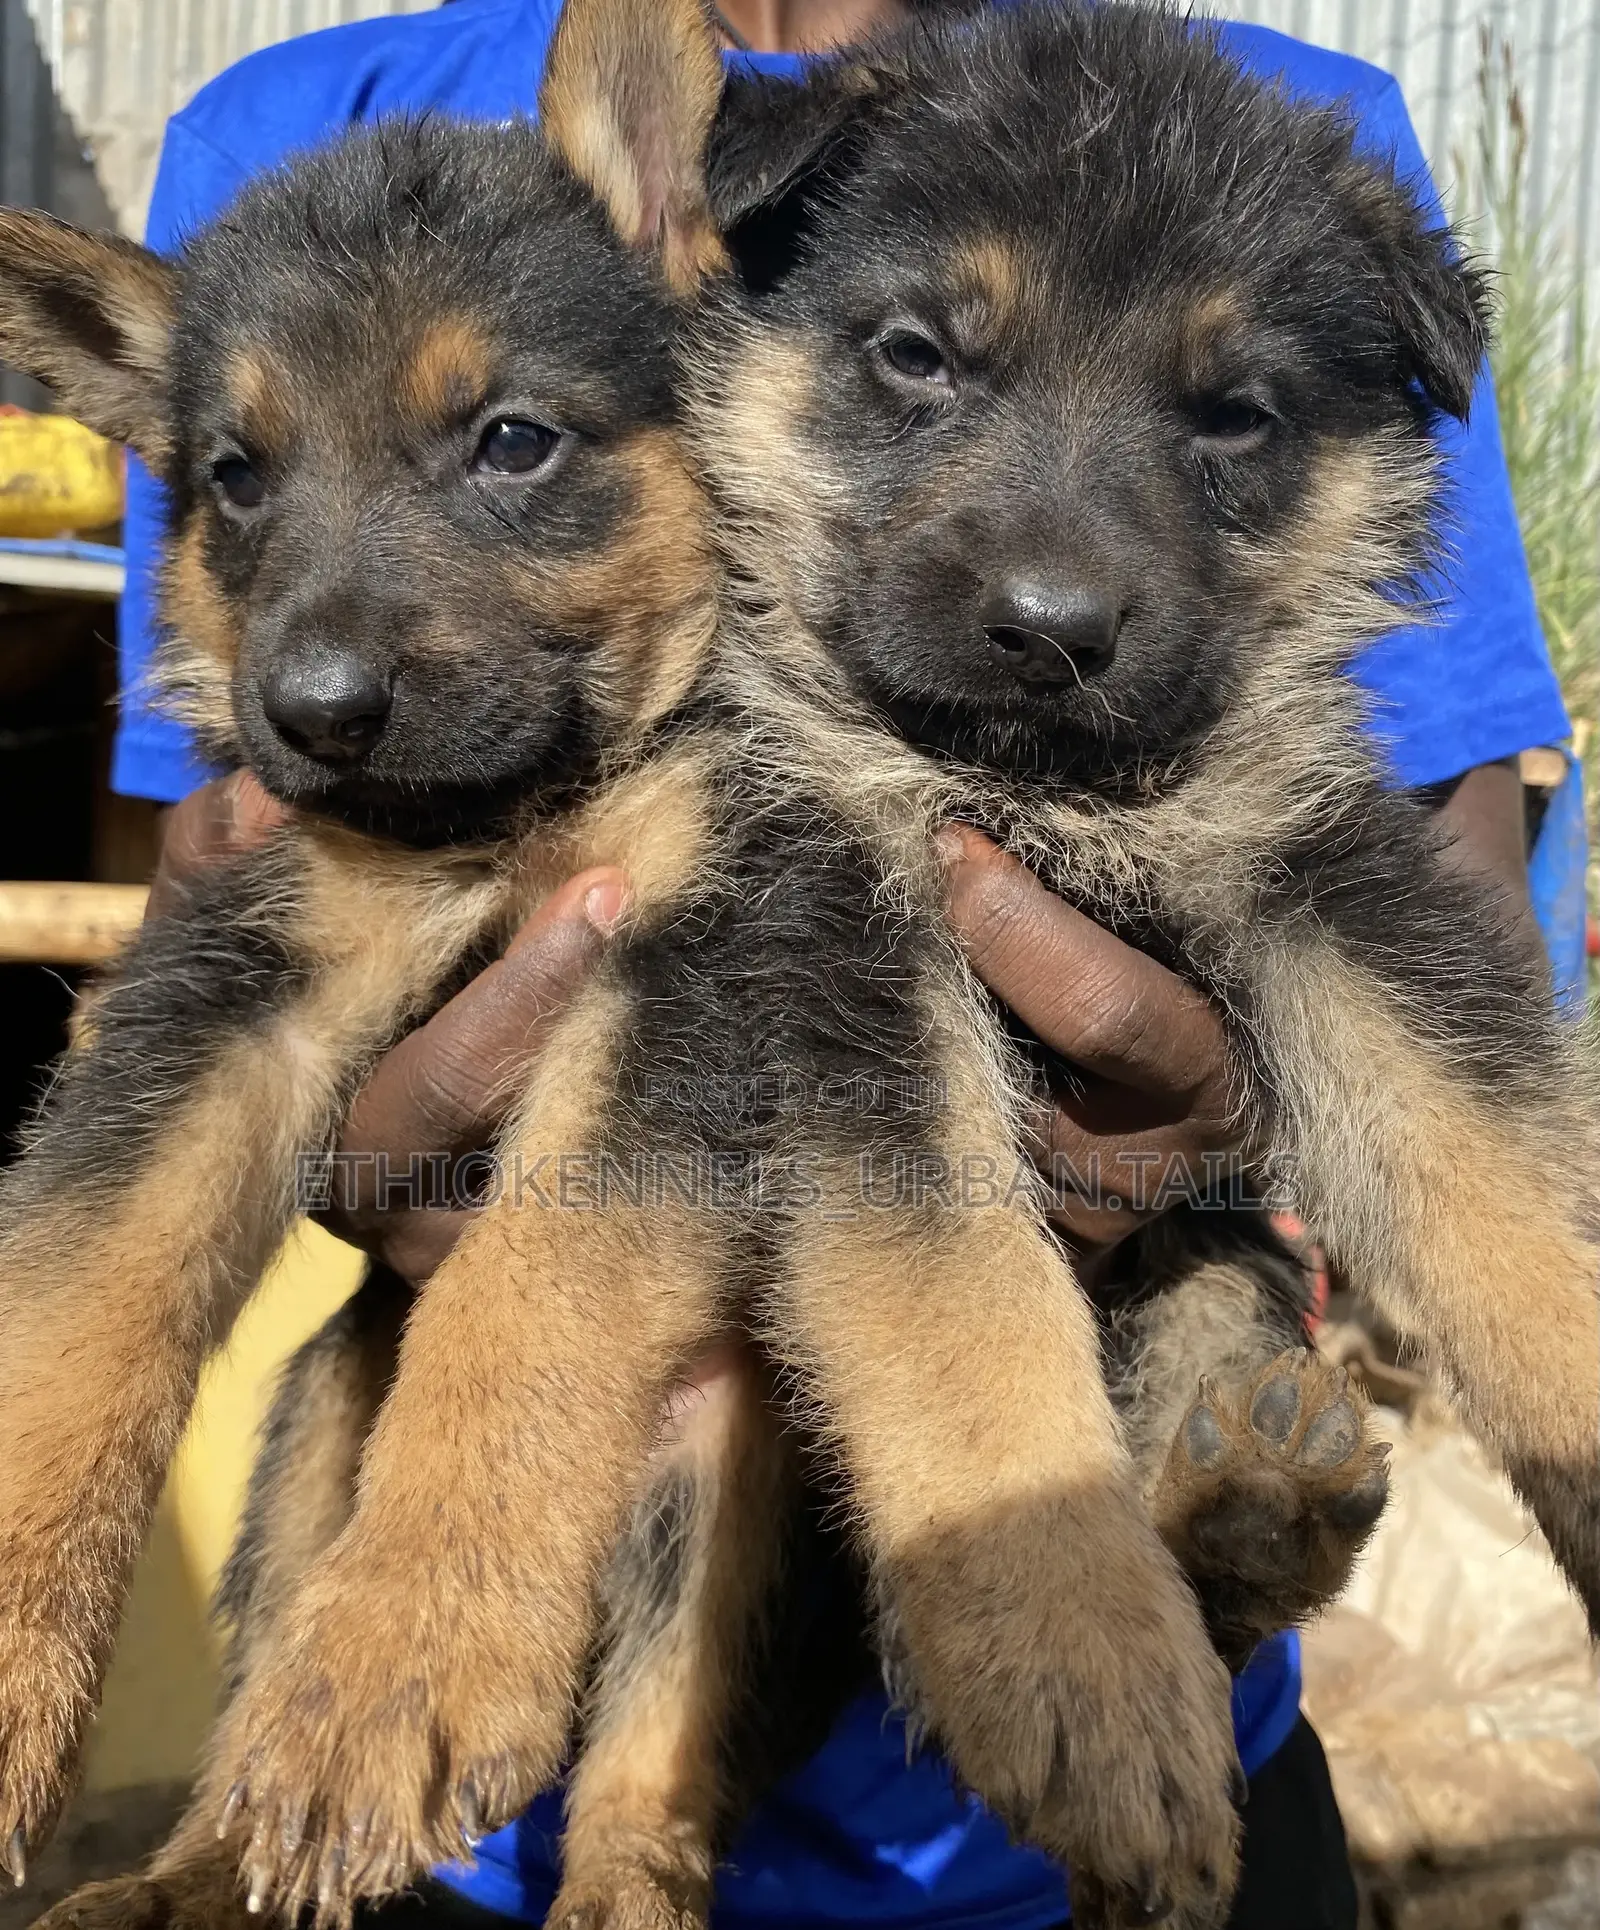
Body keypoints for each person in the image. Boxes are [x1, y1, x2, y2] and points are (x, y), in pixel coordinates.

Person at [122, 2, 1580, 1926]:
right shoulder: (306, 136)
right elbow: (214, 891)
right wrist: (349, 1135)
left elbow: (1439, 918)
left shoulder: (1304, 131)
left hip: (1114, 1794)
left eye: (1220, 418)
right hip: (482, 1799)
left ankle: (1189, 1505)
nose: (1053, 575)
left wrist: (1238, 1141)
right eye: (919, 358)